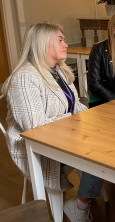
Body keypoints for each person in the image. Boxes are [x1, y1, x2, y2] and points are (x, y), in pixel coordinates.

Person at [1, 23, 103, 222]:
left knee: (107, 142)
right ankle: (80, 207)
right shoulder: (24, 78)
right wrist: (75, 120)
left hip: (64, 136)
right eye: (60, 40)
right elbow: (36, 128)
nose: (66, 44)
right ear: (42, 44)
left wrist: (95, 117)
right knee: (99, 152)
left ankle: (81, 202)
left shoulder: (59, 72)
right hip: (37, 148)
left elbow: (75, 107)